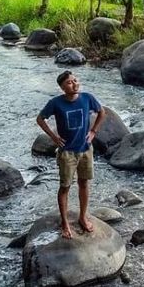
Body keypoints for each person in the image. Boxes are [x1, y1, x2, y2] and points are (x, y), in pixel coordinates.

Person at [36, 70, 105, 239]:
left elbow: (102, 112)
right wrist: (53, 137)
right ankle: (65, 222)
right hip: (67, 153)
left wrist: (94, 131)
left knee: (84, 183)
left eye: (75, 80)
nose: (74, 84)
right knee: (65, 187)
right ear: (62, 87)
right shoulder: (56, 103)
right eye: (69, 82)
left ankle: (82, 216)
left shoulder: (87, 98)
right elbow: (40, 118)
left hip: (85, 149)